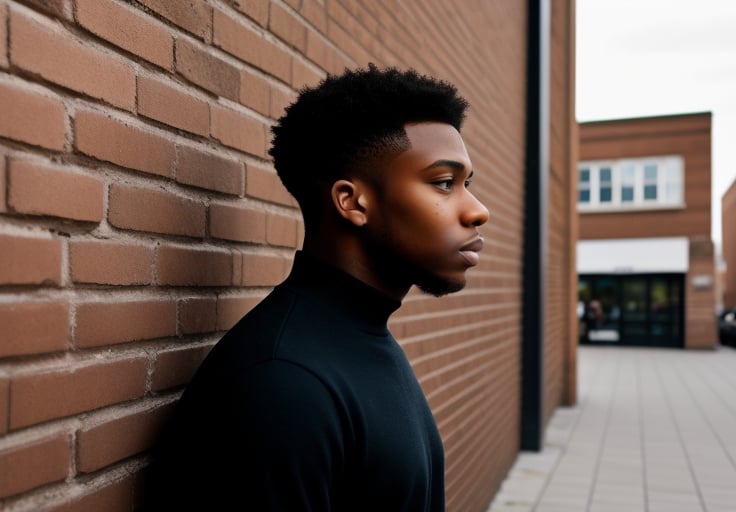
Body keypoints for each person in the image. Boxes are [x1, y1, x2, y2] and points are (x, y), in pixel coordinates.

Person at [143, 64, 490, 511]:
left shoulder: (357, 337)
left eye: (467, 184)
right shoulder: (282, 382)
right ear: (352, 202)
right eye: (444, 183)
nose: (478, 210)